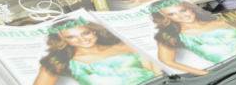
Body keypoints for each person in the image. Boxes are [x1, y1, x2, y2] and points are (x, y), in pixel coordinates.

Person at [33, 18, 161, 85]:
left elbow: (158, 73)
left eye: (85, 33)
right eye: (71, 37)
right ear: (62, 40)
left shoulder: (124, 45)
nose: (82, 39)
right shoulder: (59, 61)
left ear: (93, 31)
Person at [149, 0, 236, 74]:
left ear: (190, 7)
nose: (181, 16)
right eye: (172, 14)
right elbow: (166, 60)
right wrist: (203, 73)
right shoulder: (172, 36)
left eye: (183, 10)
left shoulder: (221, 21)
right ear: (167, 18)